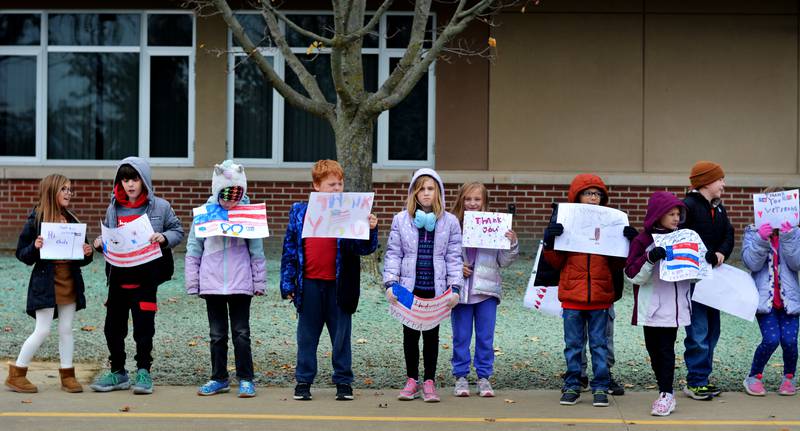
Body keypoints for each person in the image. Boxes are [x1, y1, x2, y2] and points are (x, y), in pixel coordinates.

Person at [280, 160, 378, 402]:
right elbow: (290, 249)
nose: (336, 189)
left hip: (339, 285)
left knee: (341, 336)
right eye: (331, 184)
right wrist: (288, 284)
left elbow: (362, 249)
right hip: (310, 284)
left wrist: (371, 229)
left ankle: (343, 382)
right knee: (306, 336)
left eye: (340, 184)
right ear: (316, 185)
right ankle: (303, 381)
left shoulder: (350, 210)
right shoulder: (300, 212)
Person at [89, 157, 184, 395]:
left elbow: (178, 230)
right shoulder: (114, 208)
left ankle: (144, 371)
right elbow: (111, 240)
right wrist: (101, 244)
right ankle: (118, 372)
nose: (130, 184)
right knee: (112, 328)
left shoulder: (160, 207)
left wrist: (164, 238)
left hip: (146, 278)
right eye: (125, 179)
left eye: (134, 179)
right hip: (118, 278)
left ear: (144, 180)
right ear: (119, 182)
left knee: (144, 327)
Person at [543, 174, 636, 407]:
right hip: (572, 297)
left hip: (600, 297)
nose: (593, 198)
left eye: (597, 194)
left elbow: (616, 265)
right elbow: (555, 262)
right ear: (577, 196)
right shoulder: (565, 222)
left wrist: (628, 244)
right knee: (573, 345)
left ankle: (601, 387)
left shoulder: (609, 224)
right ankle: (573, 384)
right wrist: (550, 241)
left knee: (599, 345)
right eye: (588, 193)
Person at [5, 174, 93, 394]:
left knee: (66, 330)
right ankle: (17, 374)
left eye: (70, 189)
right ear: (51, 191)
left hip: (69, 281)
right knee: (42, 330)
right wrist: (35, 246)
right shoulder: (37, 219)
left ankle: (68, 375)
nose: (68, 193)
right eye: (63, 189)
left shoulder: (71, 218)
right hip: (46, 283)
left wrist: (87, 252)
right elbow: (22, 254)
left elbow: (82, 254)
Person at [186, 160, 266, 398]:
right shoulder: (204, 214)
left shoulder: (248, 216)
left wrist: (259, 282)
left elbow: (257, 250)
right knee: (217, 334)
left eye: (237, 195)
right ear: (217, 191)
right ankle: (219, 377)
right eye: (227, 195)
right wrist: (193, 281)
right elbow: (193, 247)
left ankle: (246, 378)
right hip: (212, 284)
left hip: (241, 283)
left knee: (242, 333)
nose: (232, 201)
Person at [384, 168, 463, 402]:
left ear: (438, 192)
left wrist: (455, 288)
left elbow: (453, 257)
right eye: (421, 189)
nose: (426, 194)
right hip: (409, 288)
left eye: (431, 189)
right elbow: (393, 253)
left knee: (431, 336)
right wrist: (390, 283)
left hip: (435, 291)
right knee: (410, 335)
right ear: (413, 193)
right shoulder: (401, 220)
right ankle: (411, 380)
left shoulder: (449, 222)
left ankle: (429, 381)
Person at [625, 191, 693, 416]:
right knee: (654, 351)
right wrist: (649, 258)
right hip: (650, 308)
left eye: (678, 214)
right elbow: (632, 275)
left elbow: (695, 274)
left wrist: (703, 262)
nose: (676, 218)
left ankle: (666, 394)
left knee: (665, 350)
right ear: (657, 215)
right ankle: (664, 389)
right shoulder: (642, 241)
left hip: (672, 309)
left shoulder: (685, 238)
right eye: (671, 214)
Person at [450, 182, 518, 397]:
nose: (472, 203)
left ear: (484, 202)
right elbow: (445, 255)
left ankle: (484, 377)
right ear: (462, 200)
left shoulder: (494, 225)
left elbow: (504, 261)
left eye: (477, 199)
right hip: (460, 292)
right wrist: (457, 268)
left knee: (485, 337)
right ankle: (460, 376)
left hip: (487, 291)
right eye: (468, 199)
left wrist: (512, 243)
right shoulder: (452, 225)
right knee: (460, 336)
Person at [680, 161, 734, 400]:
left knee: (713, 331)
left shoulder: (718, 208)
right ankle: (696, 381)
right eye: (720, 179)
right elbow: (682, 239)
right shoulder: (688, 207)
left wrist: (721, 252)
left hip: (715, 281)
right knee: (698, 332)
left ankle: (703, 377)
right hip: (695, 282)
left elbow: (729, 234)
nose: (724, 183)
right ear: (706, 181)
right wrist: (704, 256)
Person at [741, 187, 800, 397]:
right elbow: (751, 263)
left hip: (790, 301)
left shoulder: (795, 234)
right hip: (764, 301)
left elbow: (796, 263)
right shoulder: (752, 234)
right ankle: (753, 376)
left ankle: (789, 378)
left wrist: (790, 237)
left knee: (790, 341)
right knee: (771, 339)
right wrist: (760, 239)